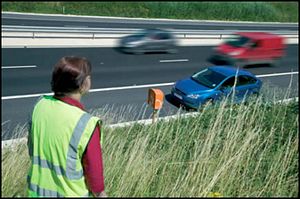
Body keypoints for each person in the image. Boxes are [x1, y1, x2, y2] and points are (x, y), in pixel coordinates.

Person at [27, 56, 107, 197]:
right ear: (83, 85)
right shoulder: (86, 124)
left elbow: (32, 149)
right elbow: (96, 184)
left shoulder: (39, 105)